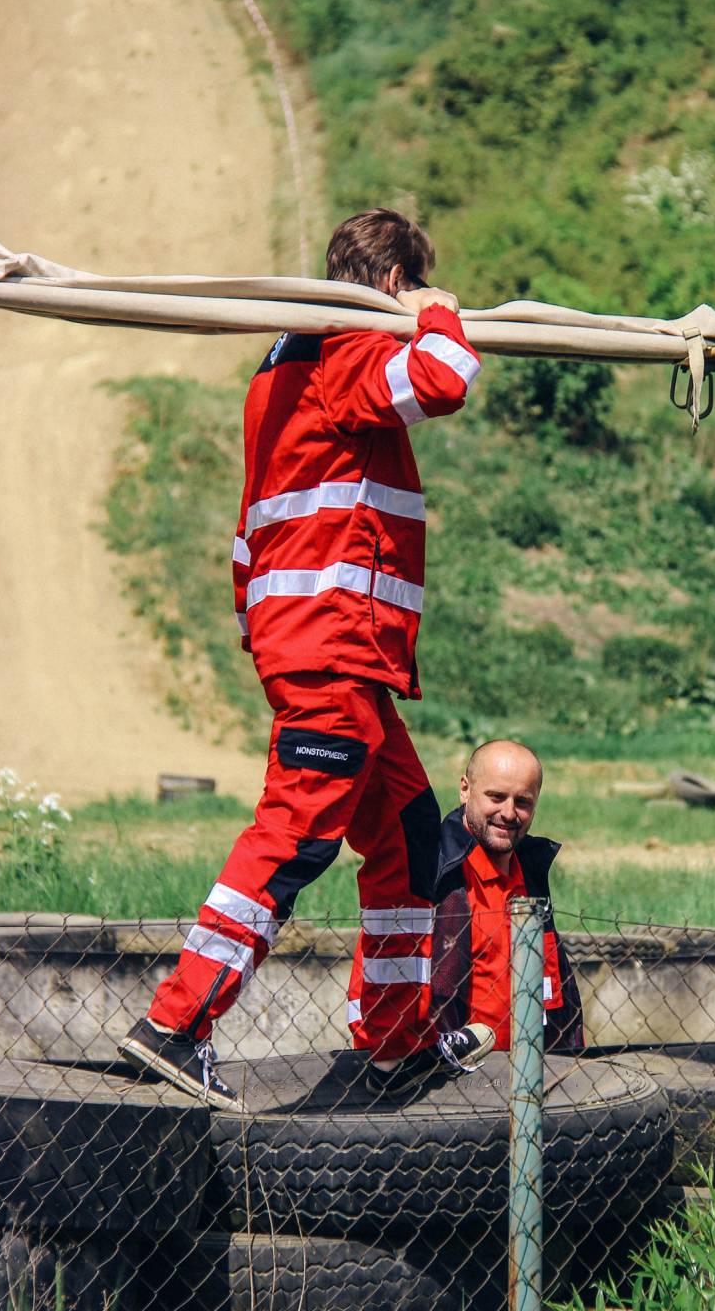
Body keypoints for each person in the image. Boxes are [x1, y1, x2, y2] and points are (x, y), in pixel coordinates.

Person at [119, 209, 493, 1107]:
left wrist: (262, 627)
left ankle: (398, 1041)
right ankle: (176, 1022)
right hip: (335, 642)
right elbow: (444, 377)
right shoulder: (350, 345)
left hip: (321, 647)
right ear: (394, 282)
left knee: (408, 837)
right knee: (298, 834)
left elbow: (253, 519)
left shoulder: (278, 366)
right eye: (410, 288)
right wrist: (436, 313)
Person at [430, 740, 583, 1053]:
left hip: (538, 1071)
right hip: (455, 1075)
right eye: (496, 797)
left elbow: (556, 994)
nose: (509, 813)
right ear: (465, 789)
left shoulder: (531, 871)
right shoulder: (433, 875)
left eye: (523, 801)